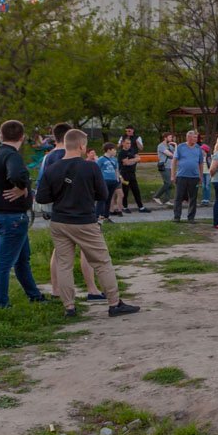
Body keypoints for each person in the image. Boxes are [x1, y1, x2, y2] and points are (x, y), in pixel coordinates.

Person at [35, 128, 140, 319]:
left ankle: (69, 307)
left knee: (64, 264)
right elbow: (102, 195)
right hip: (84, 220)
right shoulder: (90, 167)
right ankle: (114, 303)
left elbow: (42, 197)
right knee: (101, 262)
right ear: (82, 146)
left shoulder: (52, 168)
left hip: (59, 222)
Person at [0, 119, 48, 307]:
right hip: (11, 216)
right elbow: (15, 175)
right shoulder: (12, 155)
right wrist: (23, 186)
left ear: (1, 134)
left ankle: (35, 296)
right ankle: (1, 304)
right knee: (4, 262)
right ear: (22, 137)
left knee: (22, 259)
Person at [171, 130, 207, 222]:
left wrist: (201, 176)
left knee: (193, 198)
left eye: (196, 137)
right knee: (178, 197)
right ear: (188, 137)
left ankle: (191, 218)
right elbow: (174, 161)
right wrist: (173, 175)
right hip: (181, 175)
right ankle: (177, 217)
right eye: (194, 137)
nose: (195, 139)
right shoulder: (180, 147)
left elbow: (200, 163)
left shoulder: (198, 148)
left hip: (194, 176)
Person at [117, 136, 149, 213]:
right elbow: (126, 163)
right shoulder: (121, 153)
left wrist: (131, 160)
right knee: (125, 190)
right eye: (127, 143)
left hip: (132, 173)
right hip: (124, 174)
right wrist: (134, 160)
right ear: (123, 143)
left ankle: (141, 207)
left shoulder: (132, 150)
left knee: (136, 190)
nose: (129, 145)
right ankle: (125, 207)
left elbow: (138, 158)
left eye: (130, 143)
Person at [96, 143, 121, 223]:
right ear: (109, 150)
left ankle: (106, 216)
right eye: (114, 149)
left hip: (113, 181)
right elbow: (96, 170)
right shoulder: (101, 159)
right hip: (104, 181)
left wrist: (117, 179)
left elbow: (116, 169)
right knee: (102, 199)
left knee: (109, 199)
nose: (115, 151)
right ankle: (98, 216)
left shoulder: (115, 159)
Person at [151, 133, 176, 206]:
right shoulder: (161, 146)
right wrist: (174, 154)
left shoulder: (170, 146)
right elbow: (171, 154)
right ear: (165, 138)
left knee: (170, 183)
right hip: (164, 166)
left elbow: (176, 153)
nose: (171, 138)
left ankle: (166, 200)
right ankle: (156, 196)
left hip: (170, 166)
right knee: (168, 182)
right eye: (170, 137)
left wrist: (175, 145)